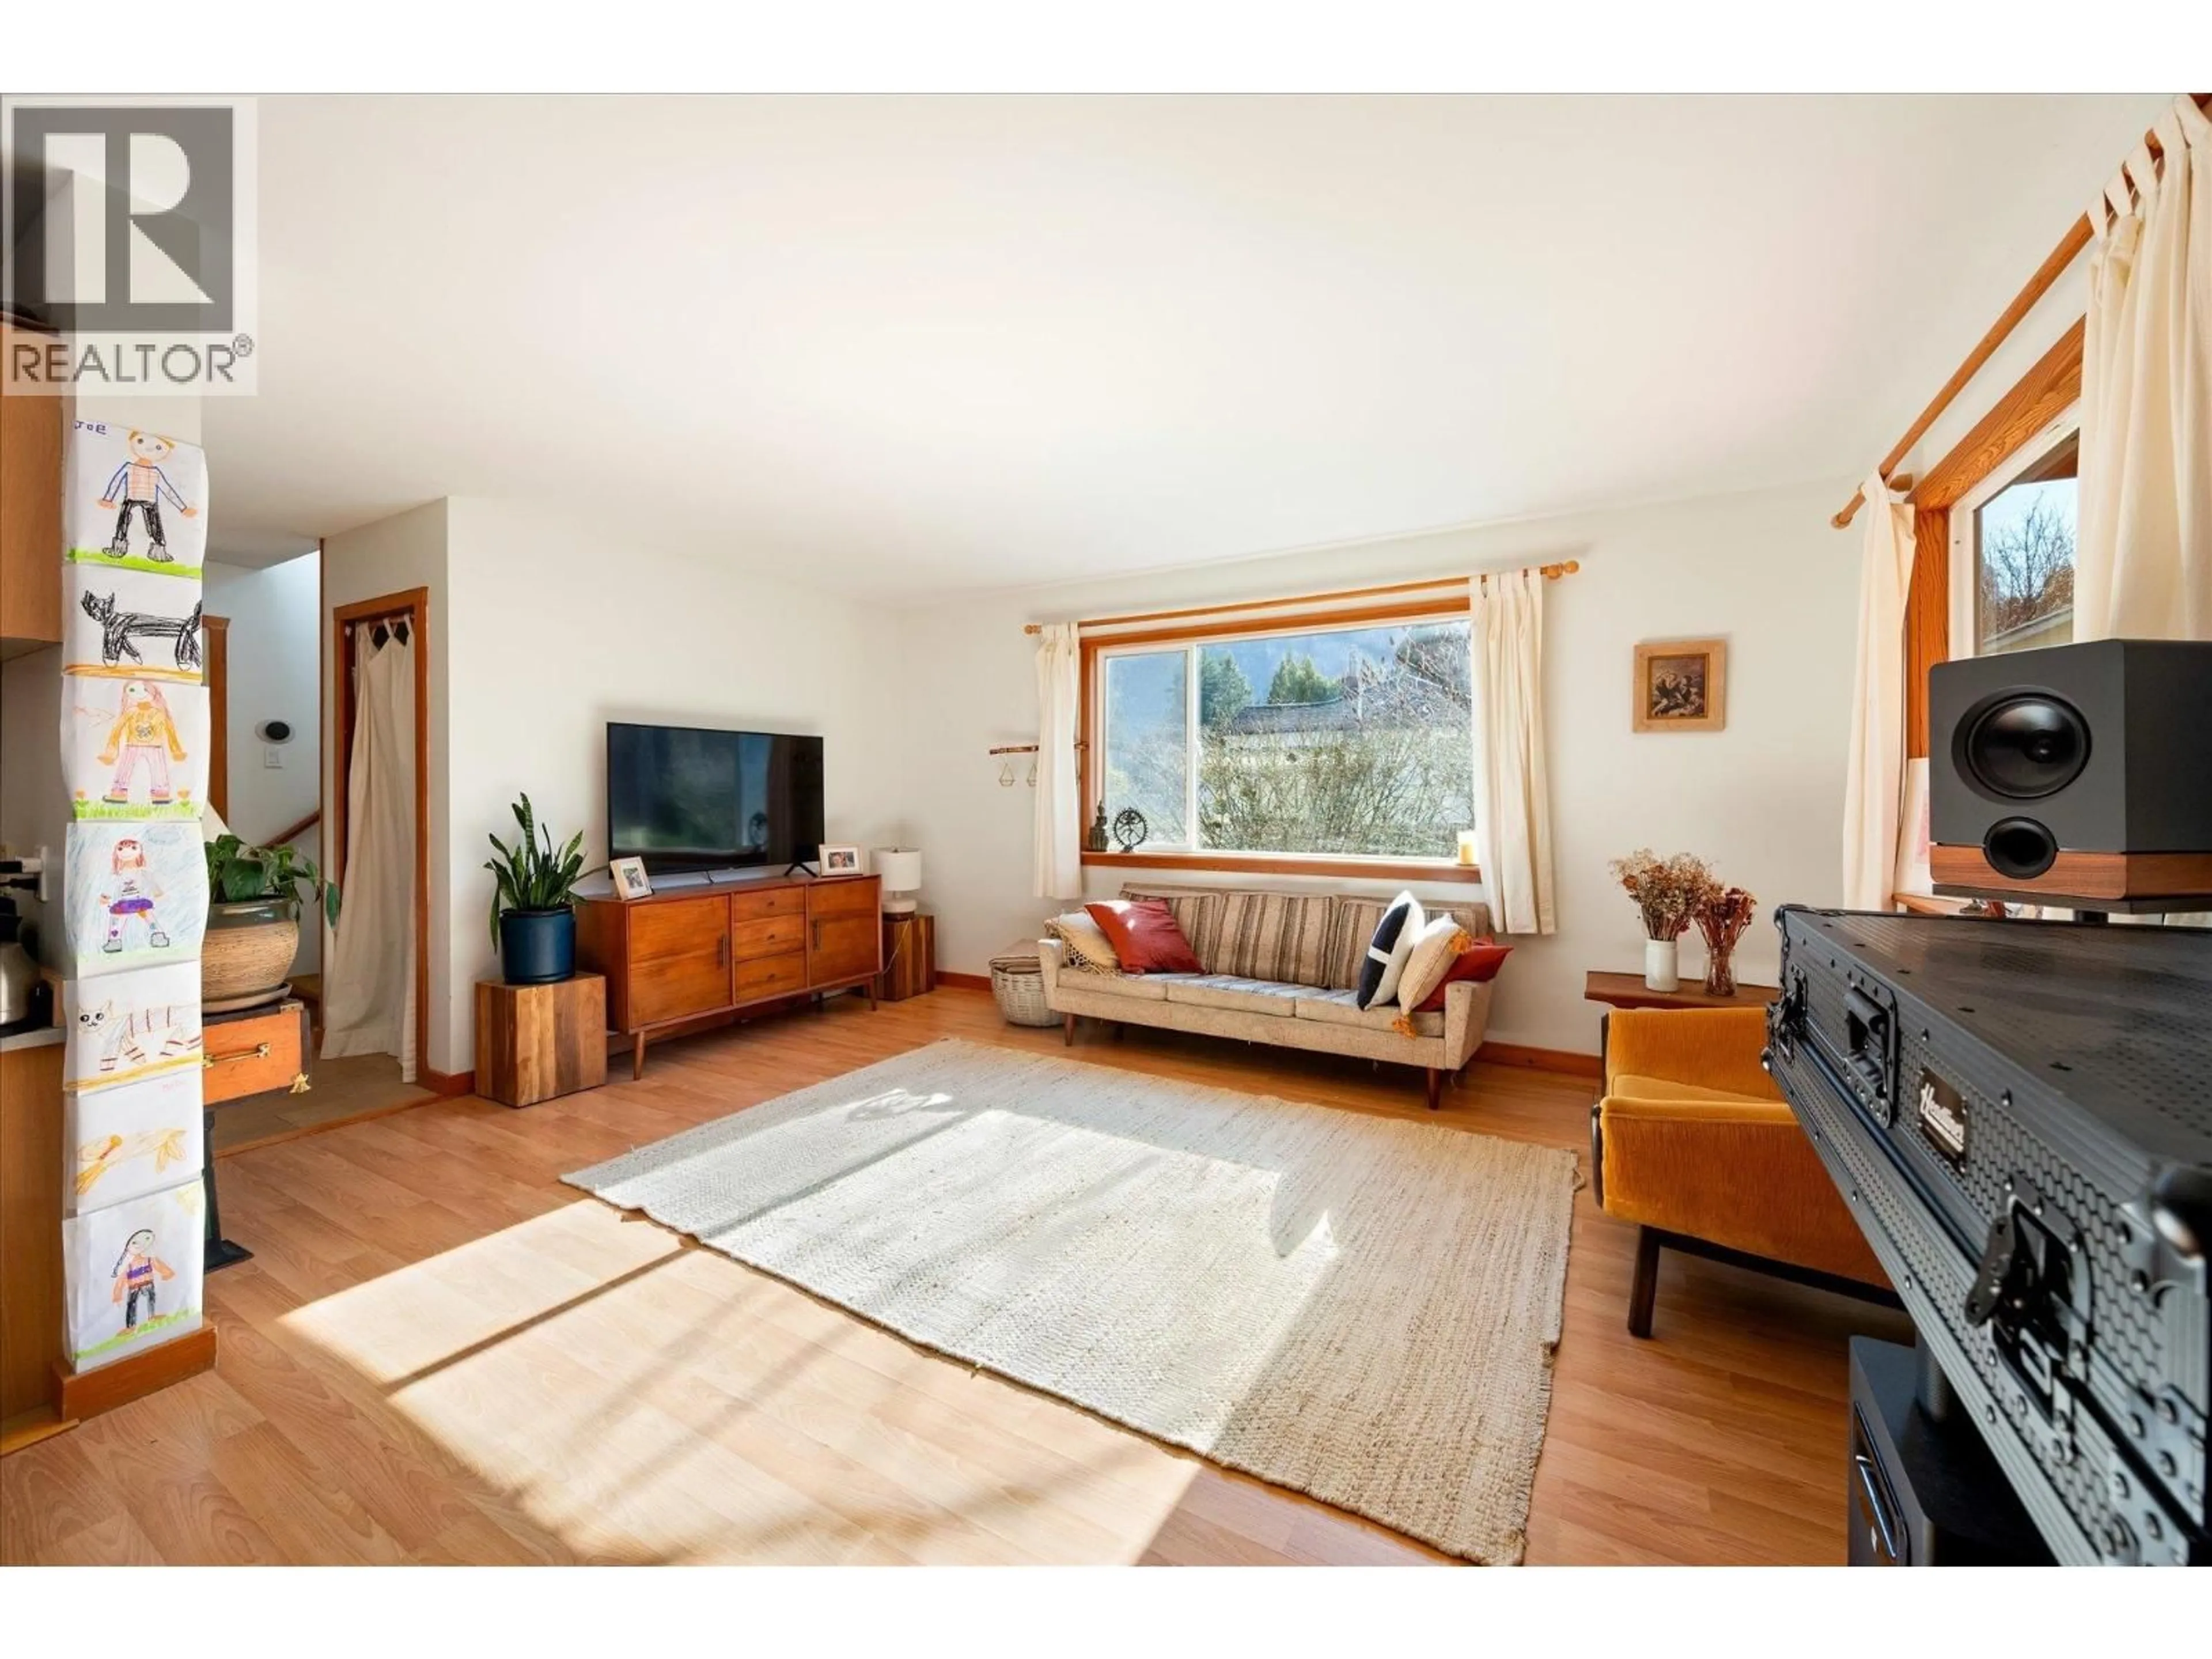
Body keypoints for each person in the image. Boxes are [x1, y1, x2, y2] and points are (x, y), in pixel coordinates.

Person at [96, 430, 199, 562]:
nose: (149, 449)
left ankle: (159, 552)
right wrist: (108, 499)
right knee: (124, 522)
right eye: (141, 441)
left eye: (158, 447)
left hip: (150, 501)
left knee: (155, 525)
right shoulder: (129, 468)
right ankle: (118, 548)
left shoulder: (156, 473)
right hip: (131, 498)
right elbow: (116, 482)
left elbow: (168, 491)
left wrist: (183, 508)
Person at [97, 680, 188, 806]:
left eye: (144, 690)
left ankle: (161, 794)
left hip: (155, 747)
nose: (139, 694)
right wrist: (110, 753)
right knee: (125, 767)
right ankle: (118, 793)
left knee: (159, 770)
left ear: (153, 692)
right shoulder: (130, 712)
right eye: (132, 691)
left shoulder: (159, 713)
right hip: (133, 745)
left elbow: (170, 731)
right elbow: (117, 730)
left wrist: (176, 751)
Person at [109, 1228, 177, 1330]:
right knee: (132, 1304)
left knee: (151, 1300)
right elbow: (121, 1281)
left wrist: (167, 1273)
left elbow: (159, 1265)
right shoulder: (128, 1266)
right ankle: (131, 1326)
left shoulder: (149, 1260)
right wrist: (117, 1296)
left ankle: (152, 1317)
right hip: (134, 1287)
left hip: (148, 1283)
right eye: (136, 1243)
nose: (140, 1245)